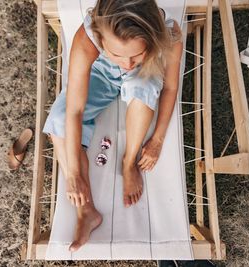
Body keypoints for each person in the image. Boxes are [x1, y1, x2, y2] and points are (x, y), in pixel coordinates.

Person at [43, 0, 183, 251]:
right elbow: (74, 110)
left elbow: (170, 88)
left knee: (142, 90)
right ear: (100, 39)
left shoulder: (168, 36)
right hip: (102, 75)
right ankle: (86, 212)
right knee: (58, 120)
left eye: (135, 53)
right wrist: (74, 172)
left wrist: (157, 140)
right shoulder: (88, 38)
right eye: (117, 53)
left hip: (146, 74)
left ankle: (128, 163)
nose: (127, 63)